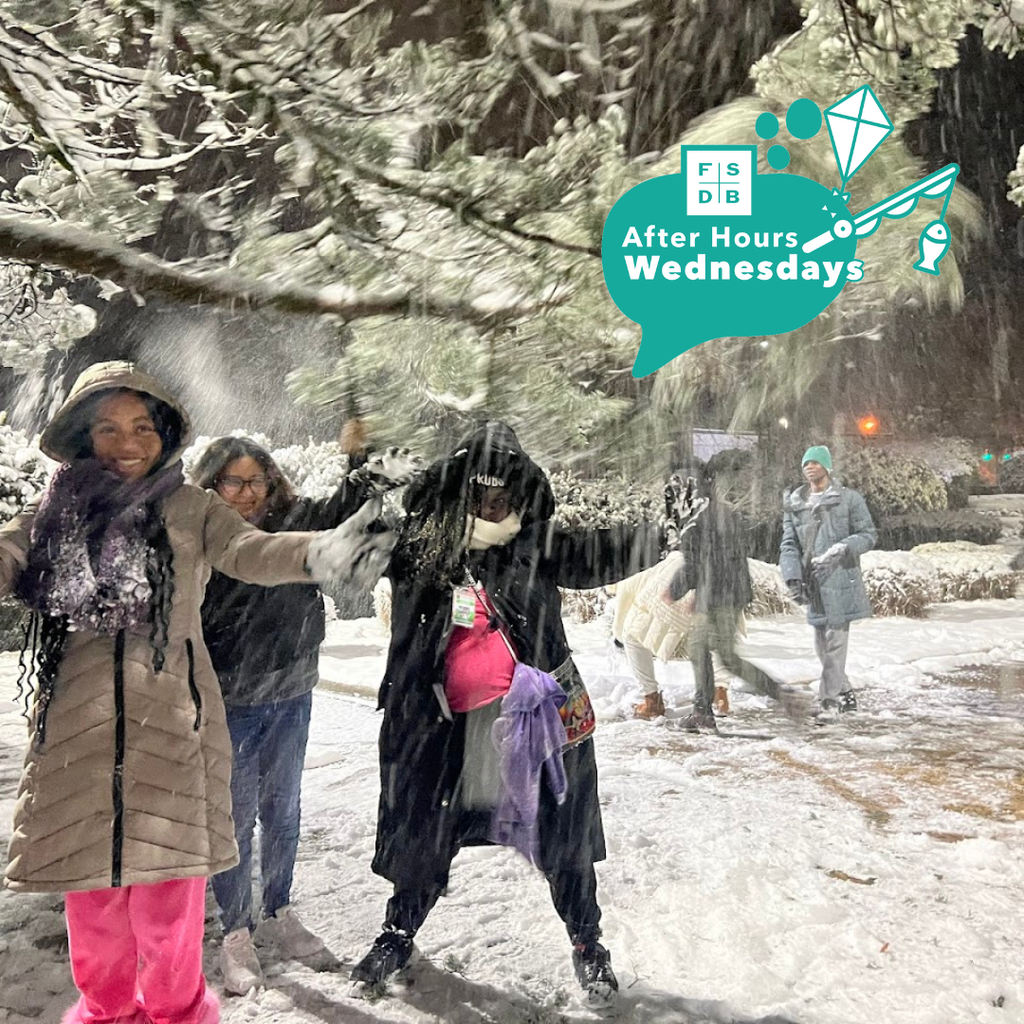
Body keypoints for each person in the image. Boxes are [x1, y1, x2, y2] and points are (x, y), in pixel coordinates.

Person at [0, 361, 396, 1024]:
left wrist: (322, 552)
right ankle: (106, 1015)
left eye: (142, 425)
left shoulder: (192, 510)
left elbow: (254, 550)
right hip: (78, 743)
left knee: (168, 924)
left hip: (174, 739)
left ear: (165, 433)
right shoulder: (51, 516)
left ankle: (178, 1015)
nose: (128, 440)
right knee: (95, 926)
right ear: (81, 435)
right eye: (108, 427)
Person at [348, 421, 700, 1004]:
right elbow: (343, 550)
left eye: (504, 490)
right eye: (479, 488)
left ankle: (588, 943)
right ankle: (398, 931)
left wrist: (661, 532)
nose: (492, 500)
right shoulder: (419, 542)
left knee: (563, 837)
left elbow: (601, 550)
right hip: (441, 729)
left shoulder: (538, 545)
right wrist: (363, 482)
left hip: (532, 725)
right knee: (425, 833)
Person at [192, 437, 419, 994]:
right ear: (212, 484)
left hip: (292, 691)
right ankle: (237, 932)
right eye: (234, 483)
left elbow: (343, 509)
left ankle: (278, 910)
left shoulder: (295, 518)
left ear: (272, 482)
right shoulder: (203, 533)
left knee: (284, 811)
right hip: (230, 700)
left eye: (256, 482)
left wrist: (364, 467)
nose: (247, 495)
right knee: (235, 818)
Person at [779, 445, 877, 724]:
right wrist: (792, 575)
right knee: (822, 647)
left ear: (827, 467)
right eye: (805, 462)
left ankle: (829, 702)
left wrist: (843, 548)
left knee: (835, 644)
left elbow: (868, 534)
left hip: (840, 580)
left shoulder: (848, 499)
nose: (809, 466)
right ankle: (844, 692)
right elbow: (789, 544)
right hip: (813, 582)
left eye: (815, 462)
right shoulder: (796, 504)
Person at [672, 454, 753, 734]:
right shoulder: (711, 513)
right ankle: (702, 710)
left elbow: (699, 562)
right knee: (700, 647)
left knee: (727, 656)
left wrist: (675, 589)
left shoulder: (703, 517)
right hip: (720, 590)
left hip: (722, 593)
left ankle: (783, 695)